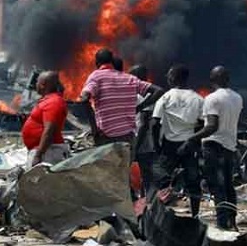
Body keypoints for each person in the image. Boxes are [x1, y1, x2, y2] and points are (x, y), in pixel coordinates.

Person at [177, 66, 243, 230]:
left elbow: (212, 126)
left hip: (213, 146)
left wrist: (191, 139)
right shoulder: (238, 98)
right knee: (228, 185)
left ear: (212, 80)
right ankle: (232, 221)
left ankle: (222, 223)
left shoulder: (211, 99)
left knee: (216, 186)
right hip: (230, 146)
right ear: (228, 79)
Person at [80, 48, 163, 146]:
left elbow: (84, 98)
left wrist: (94, 130)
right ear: (112, 61)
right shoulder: (129, 78)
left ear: (97, 63)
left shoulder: (96, 77)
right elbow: (159, 91)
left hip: (106, 138)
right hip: (128, 138)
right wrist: (138, 108)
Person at [151, 65, 204, 217]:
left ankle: (160, 213)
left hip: (169, 145)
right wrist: (195, 142)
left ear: (174, 78)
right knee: (193, 182)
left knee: (159, 177)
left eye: (169, 75)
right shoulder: (198, 99)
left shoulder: (165, 97)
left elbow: (154, 123)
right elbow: (202, 124)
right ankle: (195, 215)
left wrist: (157, 145)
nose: (167, 77)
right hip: (189, 146)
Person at [21, 71, 69, 168]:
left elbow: (49, 130)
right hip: (45, 151)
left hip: (48, 153)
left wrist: (38, 155)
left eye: (37, 82)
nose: (35, 84)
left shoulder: (53, 102)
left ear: (43, 85)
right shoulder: (48, 100)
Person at [128, 64, 157, 197]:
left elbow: (144, 124)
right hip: (138, 142)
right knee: (142, 177)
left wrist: (136, 146)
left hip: (142, 144)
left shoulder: (145, 95)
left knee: (147, 178)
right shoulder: (135, 93)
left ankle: (149, 206)